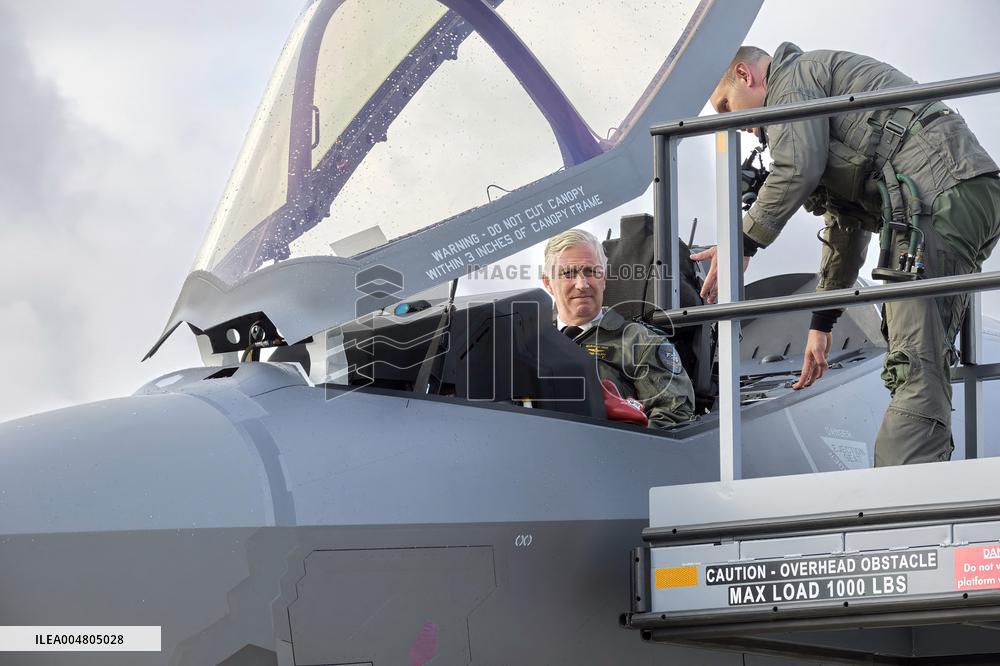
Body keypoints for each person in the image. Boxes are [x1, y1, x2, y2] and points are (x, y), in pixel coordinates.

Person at [696, 43, 1000, 465]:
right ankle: (926, 486)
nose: (737, 124)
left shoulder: (793, 82)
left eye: (727, 106)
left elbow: (796, 168)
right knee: (918, 351)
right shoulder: (820, 97)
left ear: (746, 76)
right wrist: (823, 321)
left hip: (938, 198)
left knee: (913, 360)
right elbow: (847, 227)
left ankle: (903, 503)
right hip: (954, 197)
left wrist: (742, 242)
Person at [541, 229, 695, 427]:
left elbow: (674, 416)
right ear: (548, 283)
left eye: (591, 271)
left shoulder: (640, 343)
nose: (582, 284)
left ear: (603, 278)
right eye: (568, 273)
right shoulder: (529, 345)